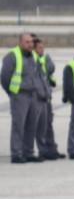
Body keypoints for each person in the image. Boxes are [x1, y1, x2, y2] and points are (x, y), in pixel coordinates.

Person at [3, 33, 47, 164]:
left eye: (31, 42)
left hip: (33, 95)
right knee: (19, 125)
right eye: (27, 42)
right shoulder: (12, 56)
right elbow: (5, 77)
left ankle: (28, 152)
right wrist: (13, 93)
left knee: (31, 125)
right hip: (20, 95)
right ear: (20, 42)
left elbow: (39, 75)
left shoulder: (34, 55)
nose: (30, 44)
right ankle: (16, 153)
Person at [33, 37, 63, 160]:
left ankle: (52, 149)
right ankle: (42, 150)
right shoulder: (32, 61)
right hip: (37, 97)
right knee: (39, 126)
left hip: (46, 96)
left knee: (48, 124)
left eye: (43, 47)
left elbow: (51, 69)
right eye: (40, 48)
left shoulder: (44, 59)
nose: (42, 50)